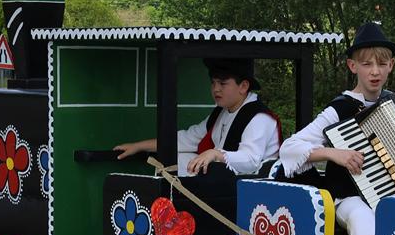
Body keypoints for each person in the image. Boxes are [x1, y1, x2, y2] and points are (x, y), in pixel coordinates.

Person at [272, 22, 395, 235]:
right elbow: (290, 148)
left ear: (391, 65)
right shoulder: (340, 108)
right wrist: (334, 153)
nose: (375, 71)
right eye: (367, 64)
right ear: (353, 66)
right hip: (345, 196)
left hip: (387, 195)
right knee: (362, 216)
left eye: (381, 64)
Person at [112, 57, 280, 177]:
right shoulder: (221, 112)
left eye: (222, 84)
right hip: (223, 185)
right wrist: (139, 146)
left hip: (251, 192)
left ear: (243, 86)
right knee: (175, 159)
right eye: (213, 83)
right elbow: (187, 139)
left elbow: (250, 160)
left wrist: (215, 154)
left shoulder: (259, 118)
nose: (216, 89)